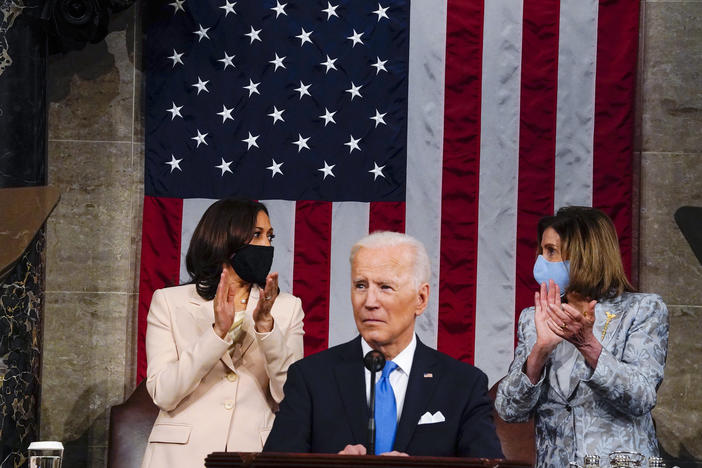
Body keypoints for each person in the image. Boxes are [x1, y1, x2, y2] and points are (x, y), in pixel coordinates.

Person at [264, 231, 503, 458]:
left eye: (385, 287)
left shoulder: (463, 385)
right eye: (360, 285)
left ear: (420, 299)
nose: (369, 302)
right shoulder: (311, 378)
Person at [495, 206, 669, 468]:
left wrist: (588, 345)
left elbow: (641, 397)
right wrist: (539, 351)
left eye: (551, 251)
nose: (541, 260)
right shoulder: (534, 318)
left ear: (585, 255)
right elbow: (509, 410)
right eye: (541, 250)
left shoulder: (642, 310)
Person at [141, 199, 304, 468]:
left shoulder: (287, 308)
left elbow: (290, 397)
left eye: (270, 236)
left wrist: (266, 327)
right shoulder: (169, 302)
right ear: (225, 239)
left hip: (253, 455)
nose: (267, 245)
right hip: (180, 457)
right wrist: (217, 333)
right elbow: (164, 393)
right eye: (257, 235)